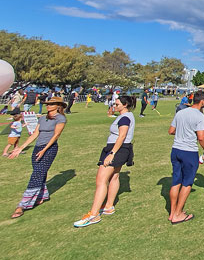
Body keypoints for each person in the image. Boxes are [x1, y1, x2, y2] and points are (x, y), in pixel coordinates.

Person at [73, 95, 136, 228]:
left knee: (101, 180)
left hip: (117, 149)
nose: (115, 104)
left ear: (125, 105)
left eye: (117, 103)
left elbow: (122, 135)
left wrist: (112, 153)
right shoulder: (125, 116)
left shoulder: (125, 117)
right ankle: (108, 206)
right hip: (119, 148)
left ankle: (93, 214)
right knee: (114, 177)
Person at [9, 96, 68, 219]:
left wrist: (44, 150)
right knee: (39, 173)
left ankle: (23, 205)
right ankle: (42, 196)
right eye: (47, 104)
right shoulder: (42, 118)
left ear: (58, 106)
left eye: (51, 104)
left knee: (37, 174)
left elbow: (56, 135)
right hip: (37, 148)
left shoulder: (60, 118)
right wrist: (20, 148)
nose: (48, 106)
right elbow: (35, 134)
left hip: (49, 149)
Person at [167, 91, 204, 225]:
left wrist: (182, 133)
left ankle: (173, 212)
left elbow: (171, 131)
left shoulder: (180, 112)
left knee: (176, 181)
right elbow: (201, 137)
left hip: (176, 150)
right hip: (189, 152)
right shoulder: (200, 116)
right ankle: (178, 214)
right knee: (187, 183)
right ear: (202, 101)